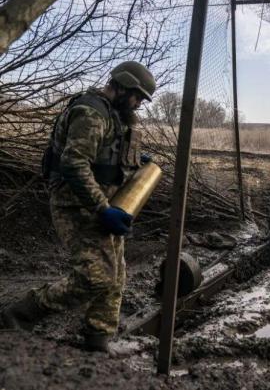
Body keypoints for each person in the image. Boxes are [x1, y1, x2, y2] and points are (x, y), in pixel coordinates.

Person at [1, 61, 156, 352]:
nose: (137, 104)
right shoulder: (91, 111)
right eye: (136, 96)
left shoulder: (115, 116)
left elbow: (104, 159)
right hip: (75, 202)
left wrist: (134, 163)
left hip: (102, 202)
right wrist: (102, 209)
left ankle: (98, 338)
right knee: (95, 277)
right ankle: (19, 314)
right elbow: (74, 163)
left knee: (116, 274)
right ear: (121, 85)